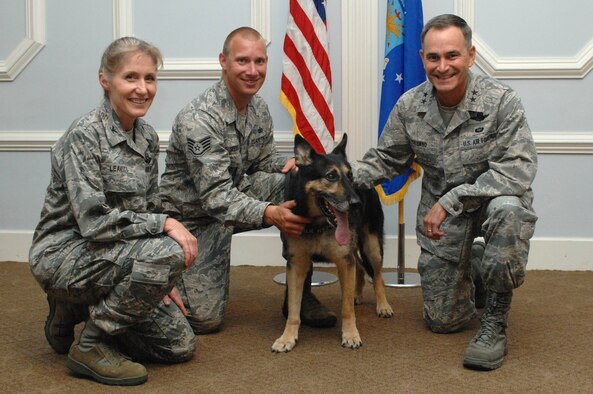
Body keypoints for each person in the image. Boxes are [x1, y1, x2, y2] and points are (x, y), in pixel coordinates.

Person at [351, 14, 538, 370]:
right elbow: (387, 159)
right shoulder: (409, 106)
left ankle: (495, 323)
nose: (442, 66)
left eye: (452, 55)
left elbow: (517, 171)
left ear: (470, 55)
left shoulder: (502, 101)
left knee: (509, 210)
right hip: (442, 225)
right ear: (422, 58)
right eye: (433, 57)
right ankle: (478, 269)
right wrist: (334, 175)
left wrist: (452, 201)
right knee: (443, 322)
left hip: (488, 207)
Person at [29, 37, 198, 386]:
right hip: (65, 253)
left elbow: (147, 207)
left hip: (115, 254)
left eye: (149, 78)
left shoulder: (147, 137)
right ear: (105, 80)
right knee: (171, 247)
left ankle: (75, 307)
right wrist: (162, 238)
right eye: (130, 77)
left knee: (180, 345)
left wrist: (158, 280)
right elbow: (93, 224)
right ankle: (90, 344)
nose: (142, 89)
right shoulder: (84, 135)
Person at [158, 26, 336, 335]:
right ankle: (153, 280)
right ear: (223, 62)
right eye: (242, 61)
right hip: (193, 220)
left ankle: (300, 295)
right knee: (204, 320)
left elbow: (263, 168)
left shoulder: (259, 109)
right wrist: (270, 213)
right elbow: (215, 197)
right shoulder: (199, 119)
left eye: (259, 62)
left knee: (298, 185)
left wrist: (291, 167)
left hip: (234, 200)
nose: (253, 71)